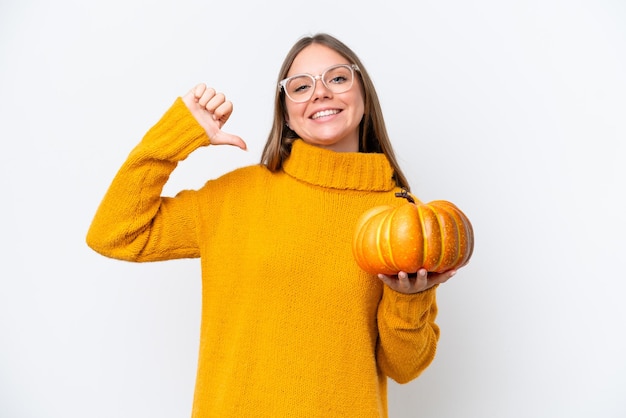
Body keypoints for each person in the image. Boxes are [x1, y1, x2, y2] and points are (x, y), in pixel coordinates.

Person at [86, 33, 458, 417]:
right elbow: (114, 233)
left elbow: (404, 368)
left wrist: (409, 298)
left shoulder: (402, 219)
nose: (320, 93)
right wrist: (176, 136)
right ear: (286, 111)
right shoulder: (236, 197)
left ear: (363, 91)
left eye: (337, 78)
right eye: (301, 86)